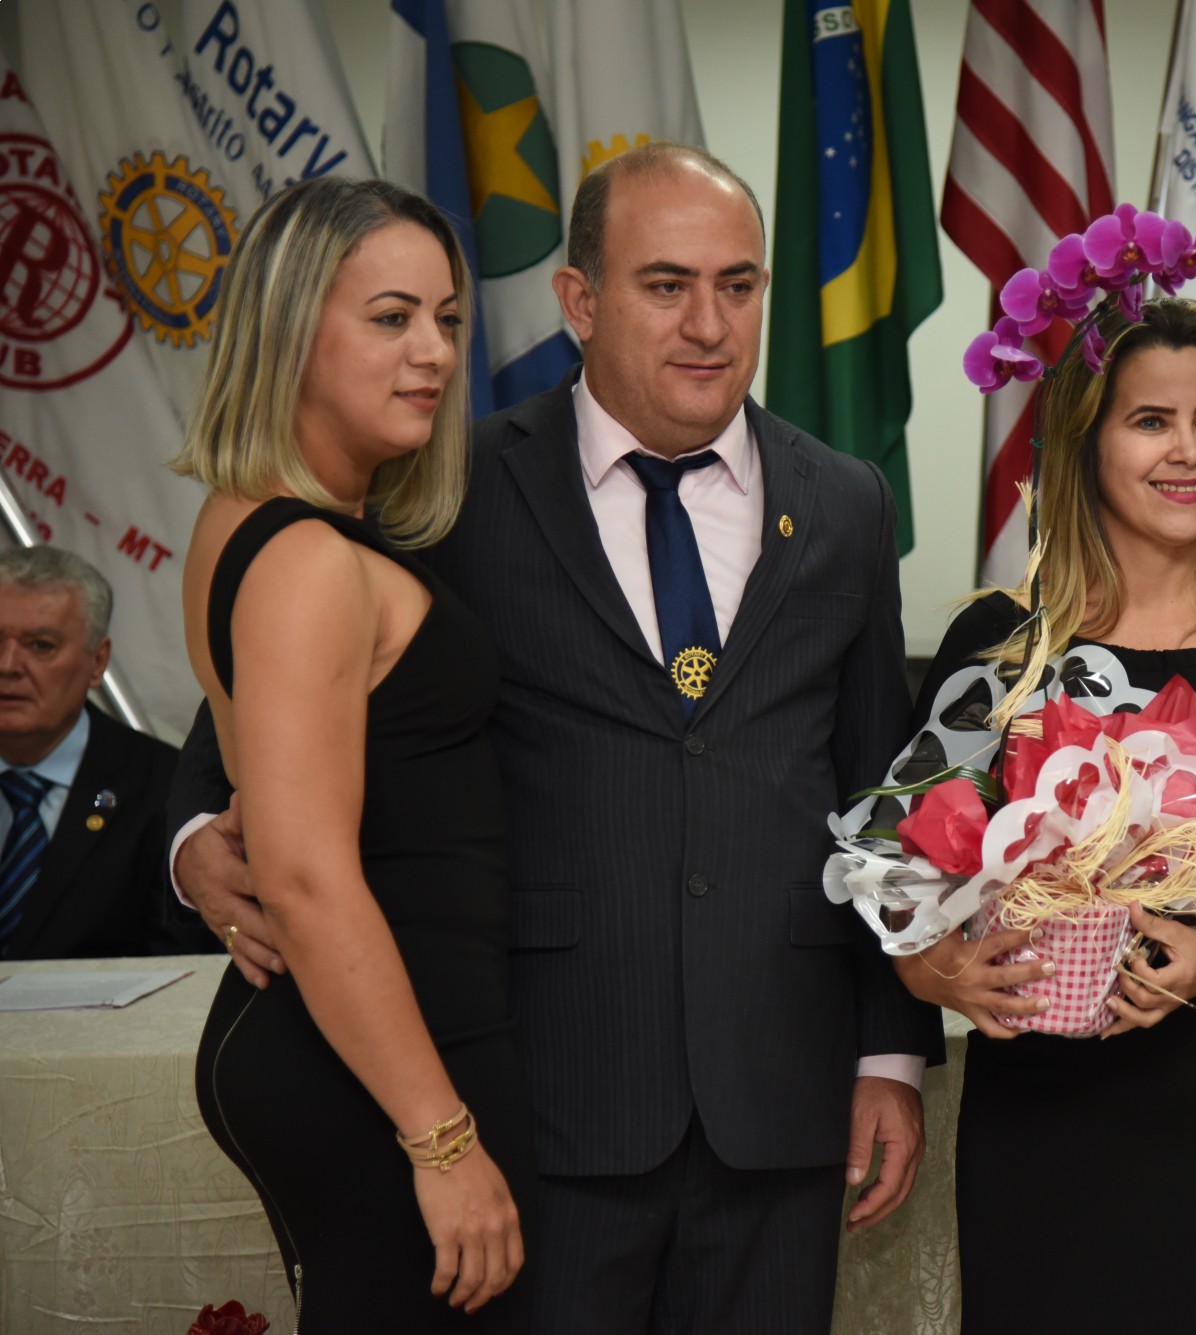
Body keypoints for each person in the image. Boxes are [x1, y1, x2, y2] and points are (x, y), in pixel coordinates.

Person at [171, 144, 943, 1331]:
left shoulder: (845, 499)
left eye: (737, 285)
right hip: (543, 1094)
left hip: (781, 1096)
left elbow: (878, 786)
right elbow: (274, 671)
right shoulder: (447, 485)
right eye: (665, 285)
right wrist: (193, 835)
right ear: (579, 301)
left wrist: (888, 1054)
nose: (708, 325)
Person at [896, 298, 1196, 1331]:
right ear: (1085, 443)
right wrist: (933, 970)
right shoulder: (998, 648)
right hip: (1043, 1115)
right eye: (1150, 421)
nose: (1187, 451)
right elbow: (900, 864)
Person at [172, 177, 531, 1327]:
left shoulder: (252, 519)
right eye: (390, 317)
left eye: (446, 319)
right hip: (382, 1066)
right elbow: (307, 876)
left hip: (362, 1046)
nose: (433, 352)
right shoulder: (308, 560)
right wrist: (441, 1140)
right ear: (289, 330)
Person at [0, 546, 195, 960]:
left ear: (97, 662)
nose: (8, 665)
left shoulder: (163, 787)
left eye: (40, 645)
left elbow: (181, 966)